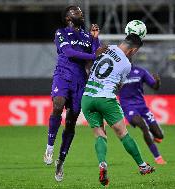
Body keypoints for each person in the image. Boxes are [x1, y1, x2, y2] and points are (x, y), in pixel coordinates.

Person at [43, 5, 107, 182]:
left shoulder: (87, 37)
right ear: (68, 18)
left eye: (80, 11)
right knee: (58, 104)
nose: (81, 13)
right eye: (76, 12)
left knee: (70, 123)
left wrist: (96, 38)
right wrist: (94, 55)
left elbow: (96, 53)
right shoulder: (61, 32)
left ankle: (61, 162)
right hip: (63, 75)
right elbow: (69, 52)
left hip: (80, 82)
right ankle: (49, 146)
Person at [81, 34, 155, 186]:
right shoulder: (126, 64)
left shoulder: (106, 48)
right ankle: (142, 166)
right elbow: (118, 87)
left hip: (87, 97)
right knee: (122, 133)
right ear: (133, 50)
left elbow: (90, 64)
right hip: (106, 98)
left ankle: (102, 163)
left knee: (99, 134)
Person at [119, 65, 167, 165]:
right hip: (128, 107)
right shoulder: (117, 72)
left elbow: (154, 86)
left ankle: (155, 136)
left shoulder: (140, 71)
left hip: (142, 107)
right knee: (143, 126)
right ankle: (158, 157)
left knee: (159, 135)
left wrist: (157, 81)